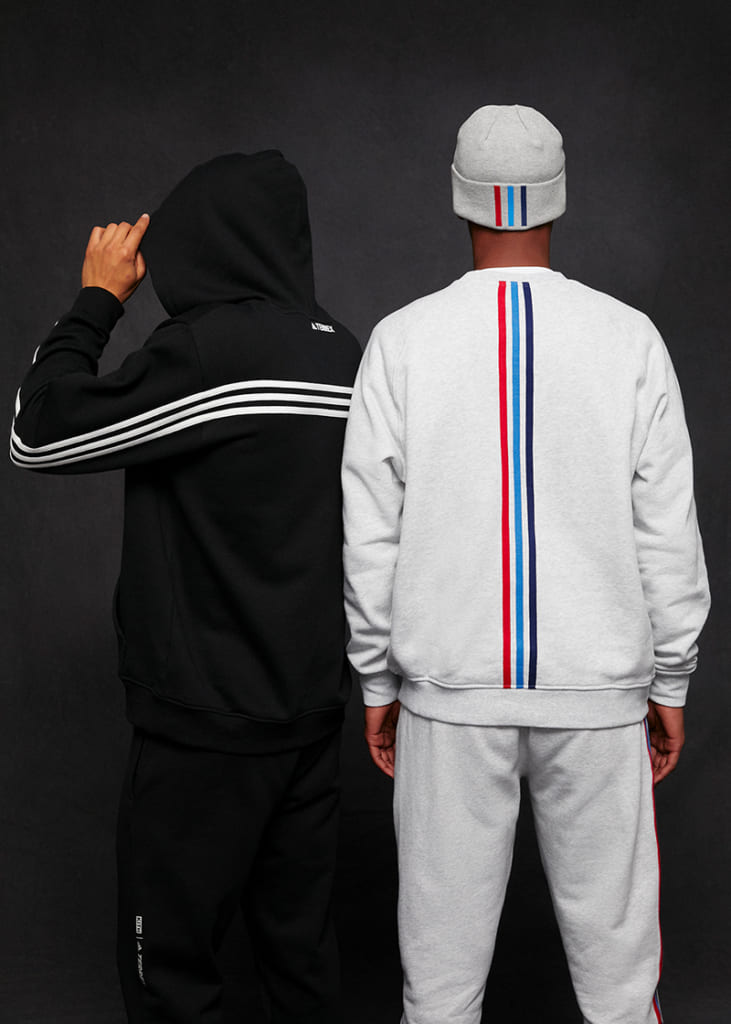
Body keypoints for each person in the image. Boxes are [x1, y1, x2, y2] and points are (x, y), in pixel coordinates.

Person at [341, 105, 709, 1024]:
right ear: (558, 198)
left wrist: (376, 680)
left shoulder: (400, 339)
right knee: (620, 990)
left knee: (439, 990)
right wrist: (671, 678)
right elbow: (666, 529)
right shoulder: (629, 337)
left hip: (447, 695)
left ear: (459, 197)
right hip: (598, 695)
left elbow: (369, 534)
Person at [11, 151, 361, 1024]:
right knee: (303, 968)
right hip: (313, 716)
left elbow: (38, 435)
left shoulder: (209, 351)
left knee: (169, 975)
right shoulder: (344, 354)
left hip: (203, 728)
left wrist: (97, 301)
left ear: (201, 243)